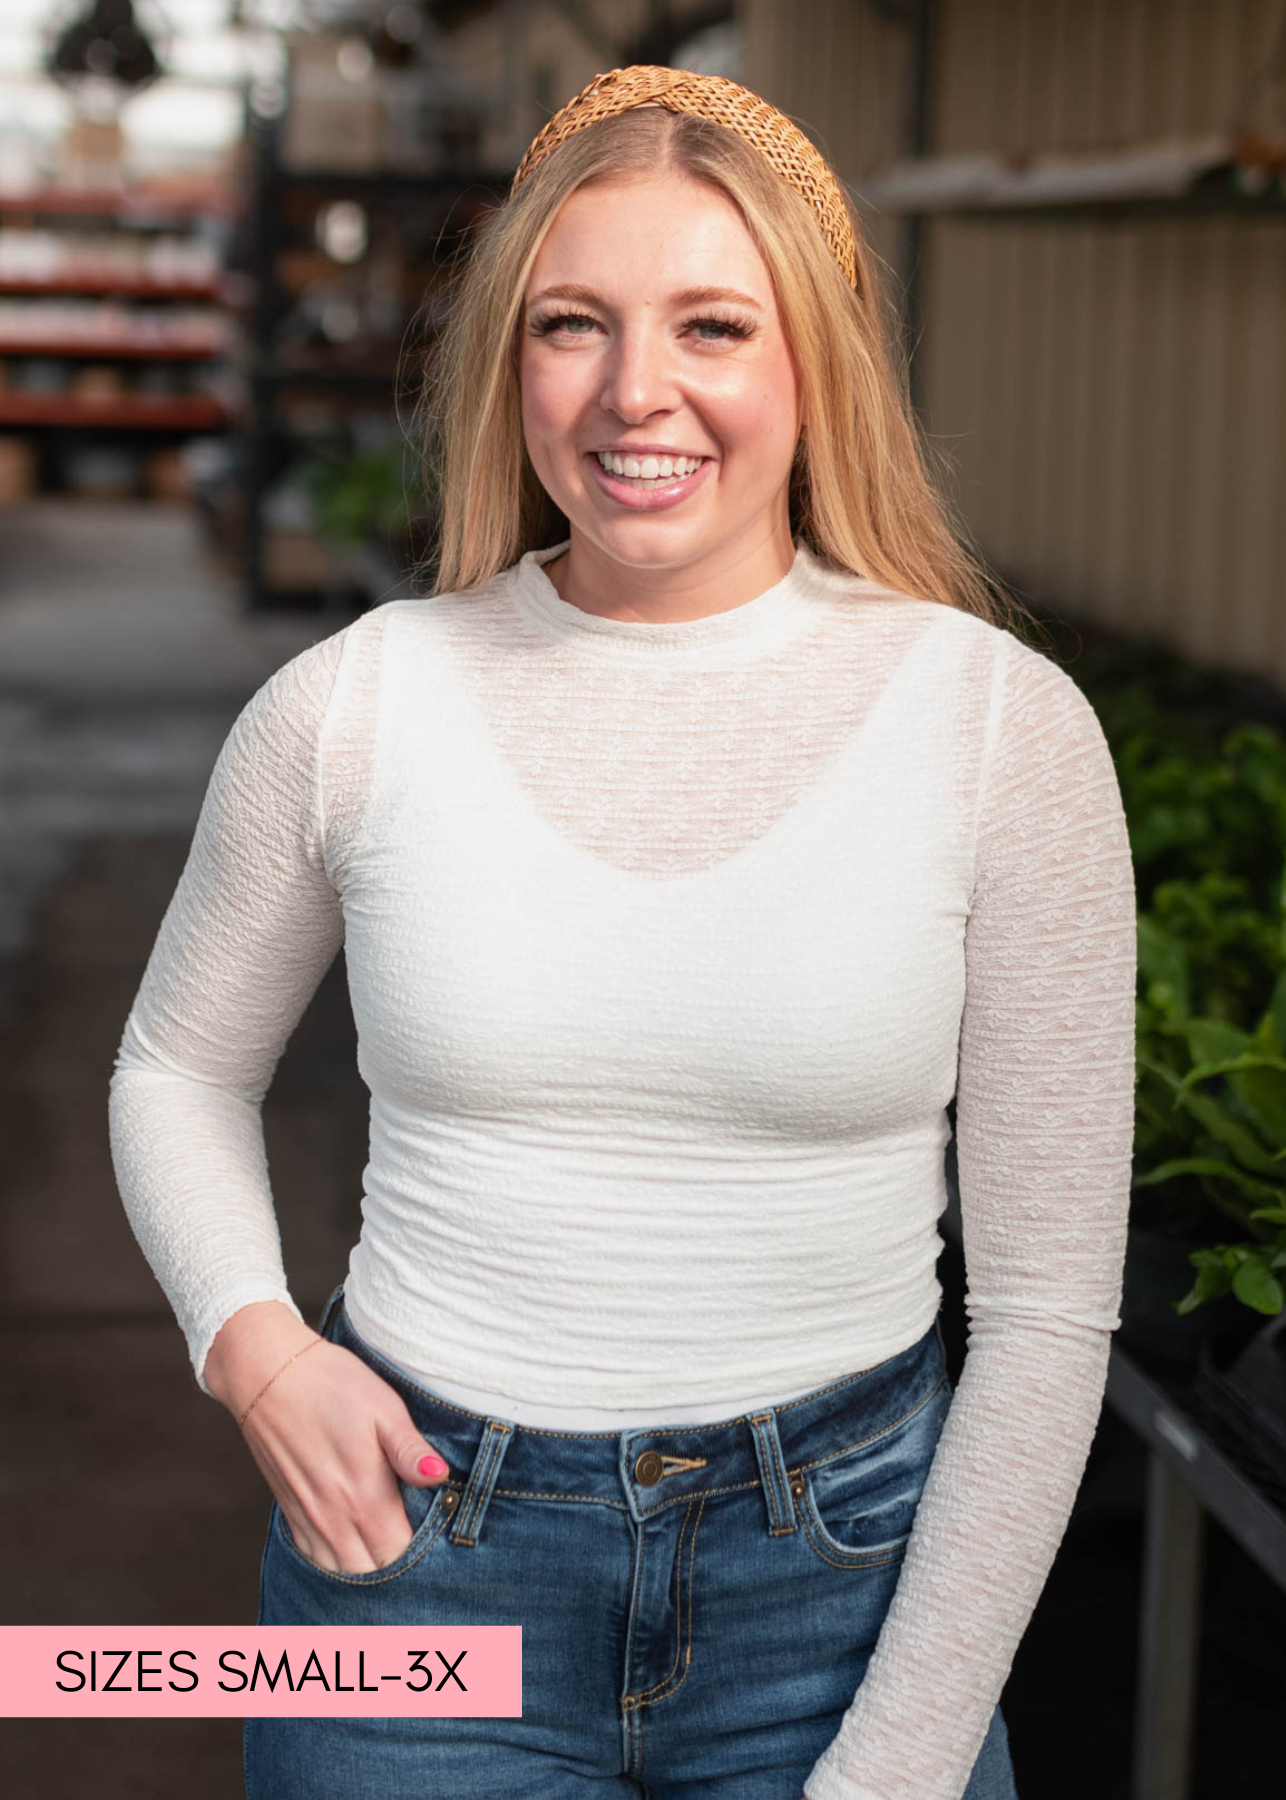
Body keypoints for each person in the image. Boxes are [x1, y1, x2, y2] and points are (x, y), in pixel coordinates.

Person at [108, 64, 1138, 1800]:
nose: (633, 392)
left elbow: (1041, 1316)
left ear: (815, 359)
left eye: (712, 327)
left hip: (851, 1588)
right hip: (415, 1569)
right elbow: (174, 1070)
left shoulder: (994, 728)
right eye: (571, 325)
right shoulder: (354, 704)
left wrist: (896, 1757)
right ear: (510, 360)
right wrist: (254, 1340)